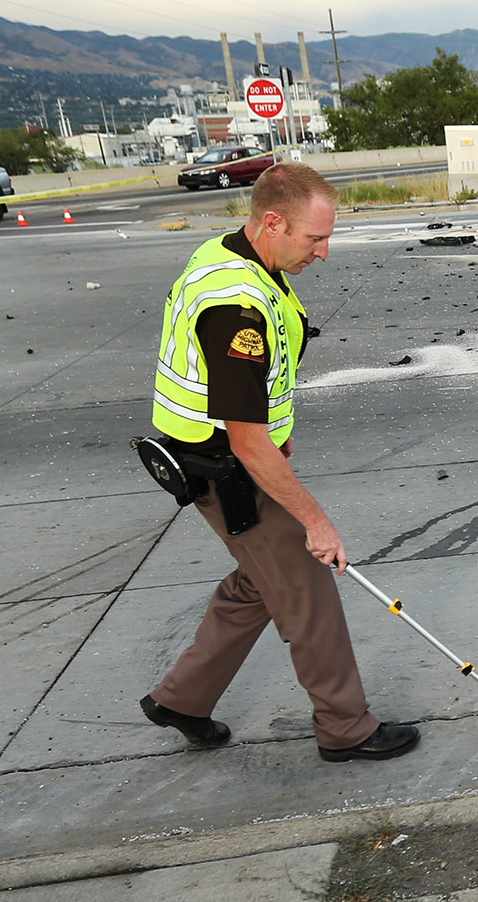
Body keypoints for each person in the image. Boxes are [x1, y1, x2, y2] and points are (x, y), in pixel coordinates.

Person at [139, 162, 419, 764]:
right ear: (272, 222)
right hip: (226, 470)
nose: (324, 252)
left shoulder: (233, 255)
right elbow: (246, 440)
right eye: (314, 238)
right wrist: (315, 519)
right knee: (307, 590)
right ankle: (346, 729)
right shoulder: (235, 309)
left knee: (262, 584)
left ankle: (181, 700)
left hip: (212, 454)